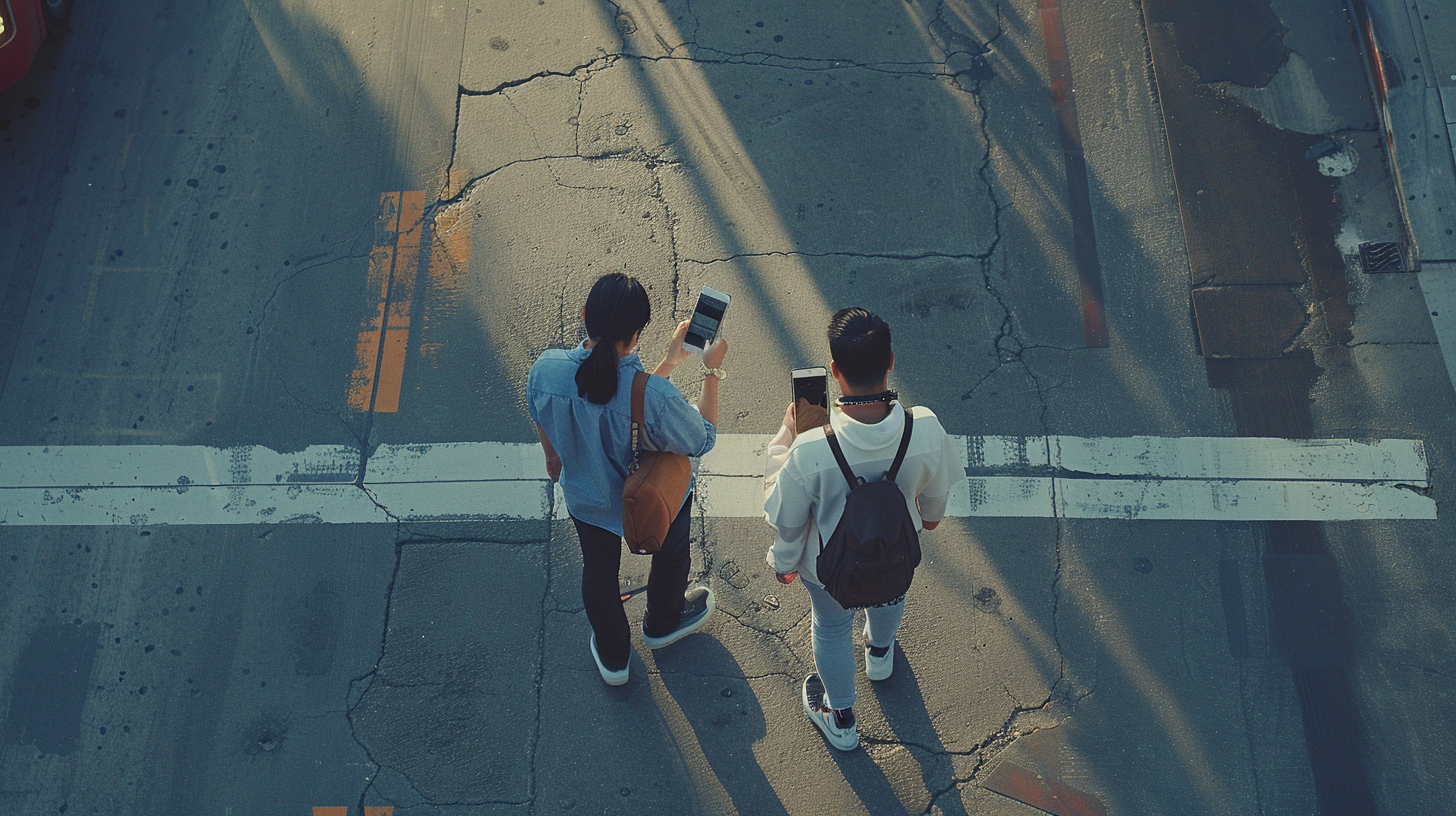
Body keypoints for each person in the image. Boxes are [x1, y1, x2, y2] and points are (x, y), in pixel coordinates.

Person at [763, 307, 960, 750]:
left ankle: (842, 718)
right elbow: (933, 509)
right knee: (890, 593)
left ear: (833, 372)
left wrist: (786, 436)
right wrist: (923, 519)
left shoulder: (811, 448)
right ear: (890, 362)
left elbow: (785, 517)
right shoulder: (924, 427)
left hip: (827, 569)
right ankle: (880, 654)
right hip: (896, 551)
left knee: (831, 629)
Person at [527, 273, 730, 687]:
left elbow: (543, 415)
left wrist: (552, 456)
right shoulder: (655, 395)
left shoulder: (545, 370)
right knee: (672, 555)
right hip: (647, 499)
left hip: (586, 497)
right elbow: (701, 439)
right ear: (636, 336)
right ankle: (662, 622)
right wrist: (711, 373)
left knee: (598, 573)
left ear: (585, 316)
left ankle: (615, 657)